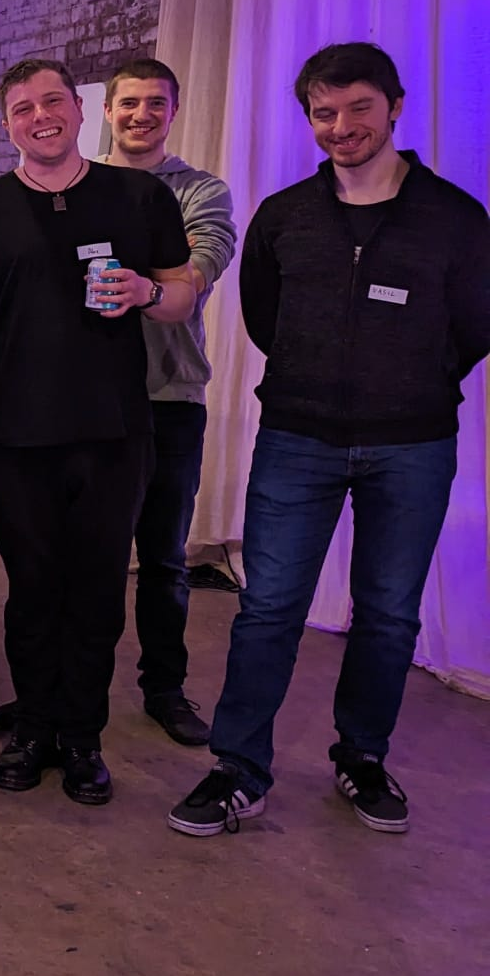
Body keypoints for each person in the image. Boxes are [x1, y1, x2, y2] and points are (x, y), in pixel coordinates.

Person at [170, 43, 490, 839]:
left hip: (412, 445)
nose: (341, 127)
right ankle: (238, 768)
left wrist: (411, 378)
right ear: (309, 116)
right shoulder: (286, 217)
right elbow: (264, 319)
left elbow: (477, 323)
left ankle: (363, 757)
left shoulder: (453, 217)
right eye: (324, 112)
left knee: (387, 613)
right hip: (297, 436)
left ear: (394, 107)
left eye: (358, 109)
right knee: (268, 607)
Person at [0, 57, 193, 807]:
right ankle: (35, 726)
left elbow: (180, 295)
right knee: (34, 589)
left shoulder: (140, 196)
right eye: (22, 108)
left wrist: (147, 292)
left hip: (114, 435)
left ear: (80, 111)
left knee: (99, 592)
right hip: (13, 440)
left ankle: (83, 737)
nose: (39, 117)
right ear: (6, 122)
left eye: (52, 102)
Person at [99, 59, 237, 746]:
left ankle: (165, 688)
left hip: (168, 399)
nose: (140, 115)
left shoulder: (201, 191)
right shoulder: (79, 186)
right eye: (129, 103)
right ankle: (70, 686)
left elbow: (194, 273)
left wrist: (151, 283)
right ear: (107, 110)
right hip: (87, 398)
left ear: (172, 112)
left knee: (163, 558)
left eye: (154, 104)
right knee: (84, 558)